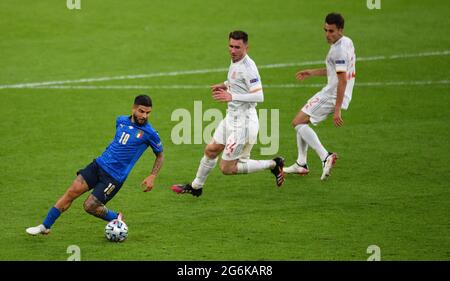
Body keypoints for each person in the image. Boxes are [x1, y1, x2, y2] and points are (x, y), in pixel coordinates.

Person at [26, 95, 164, 235]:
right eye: (141, 111)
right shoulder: (121, 120)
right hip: (98, 165)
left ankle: (116, 217)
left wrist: (153, 175)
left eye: (148, 113)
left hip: (114, 177)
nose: (144, 115)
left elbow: (160, 155)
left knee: (90, 206)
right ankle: (45, 226)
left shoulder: (150, 133)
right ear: (133, 108)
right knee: (71, 192)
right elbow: (119, 142)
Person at [171, 30, 285, 197]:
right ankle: (196, 187)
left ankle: (273, 164)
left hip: (244, 122)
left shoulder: (249, 68)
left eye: (237, 47)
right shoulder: (235, 61)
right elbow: (236, 80)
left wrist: (232, 95)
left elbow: (259, 95)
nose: (233, 50)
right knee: (211, 150)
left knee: (227, 168)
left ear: (246, 47)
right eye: (230, 46)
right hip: (231, 118)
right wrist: (224, 85)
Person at [283, 13, 356, 180]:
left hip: (332, 94)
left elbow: (342, 80)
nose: (327, 34)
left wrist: (337, 109)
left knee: (297, 123)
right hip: (334, 92)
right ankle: (301, 164)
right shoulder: (347, 42)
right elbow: (336, 71)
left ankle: (325, 156)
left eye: (331, 31)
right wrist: (312, 72)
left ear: (340, 30)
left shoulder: (339, 51)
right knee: (301, 121)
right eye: (325, 30)